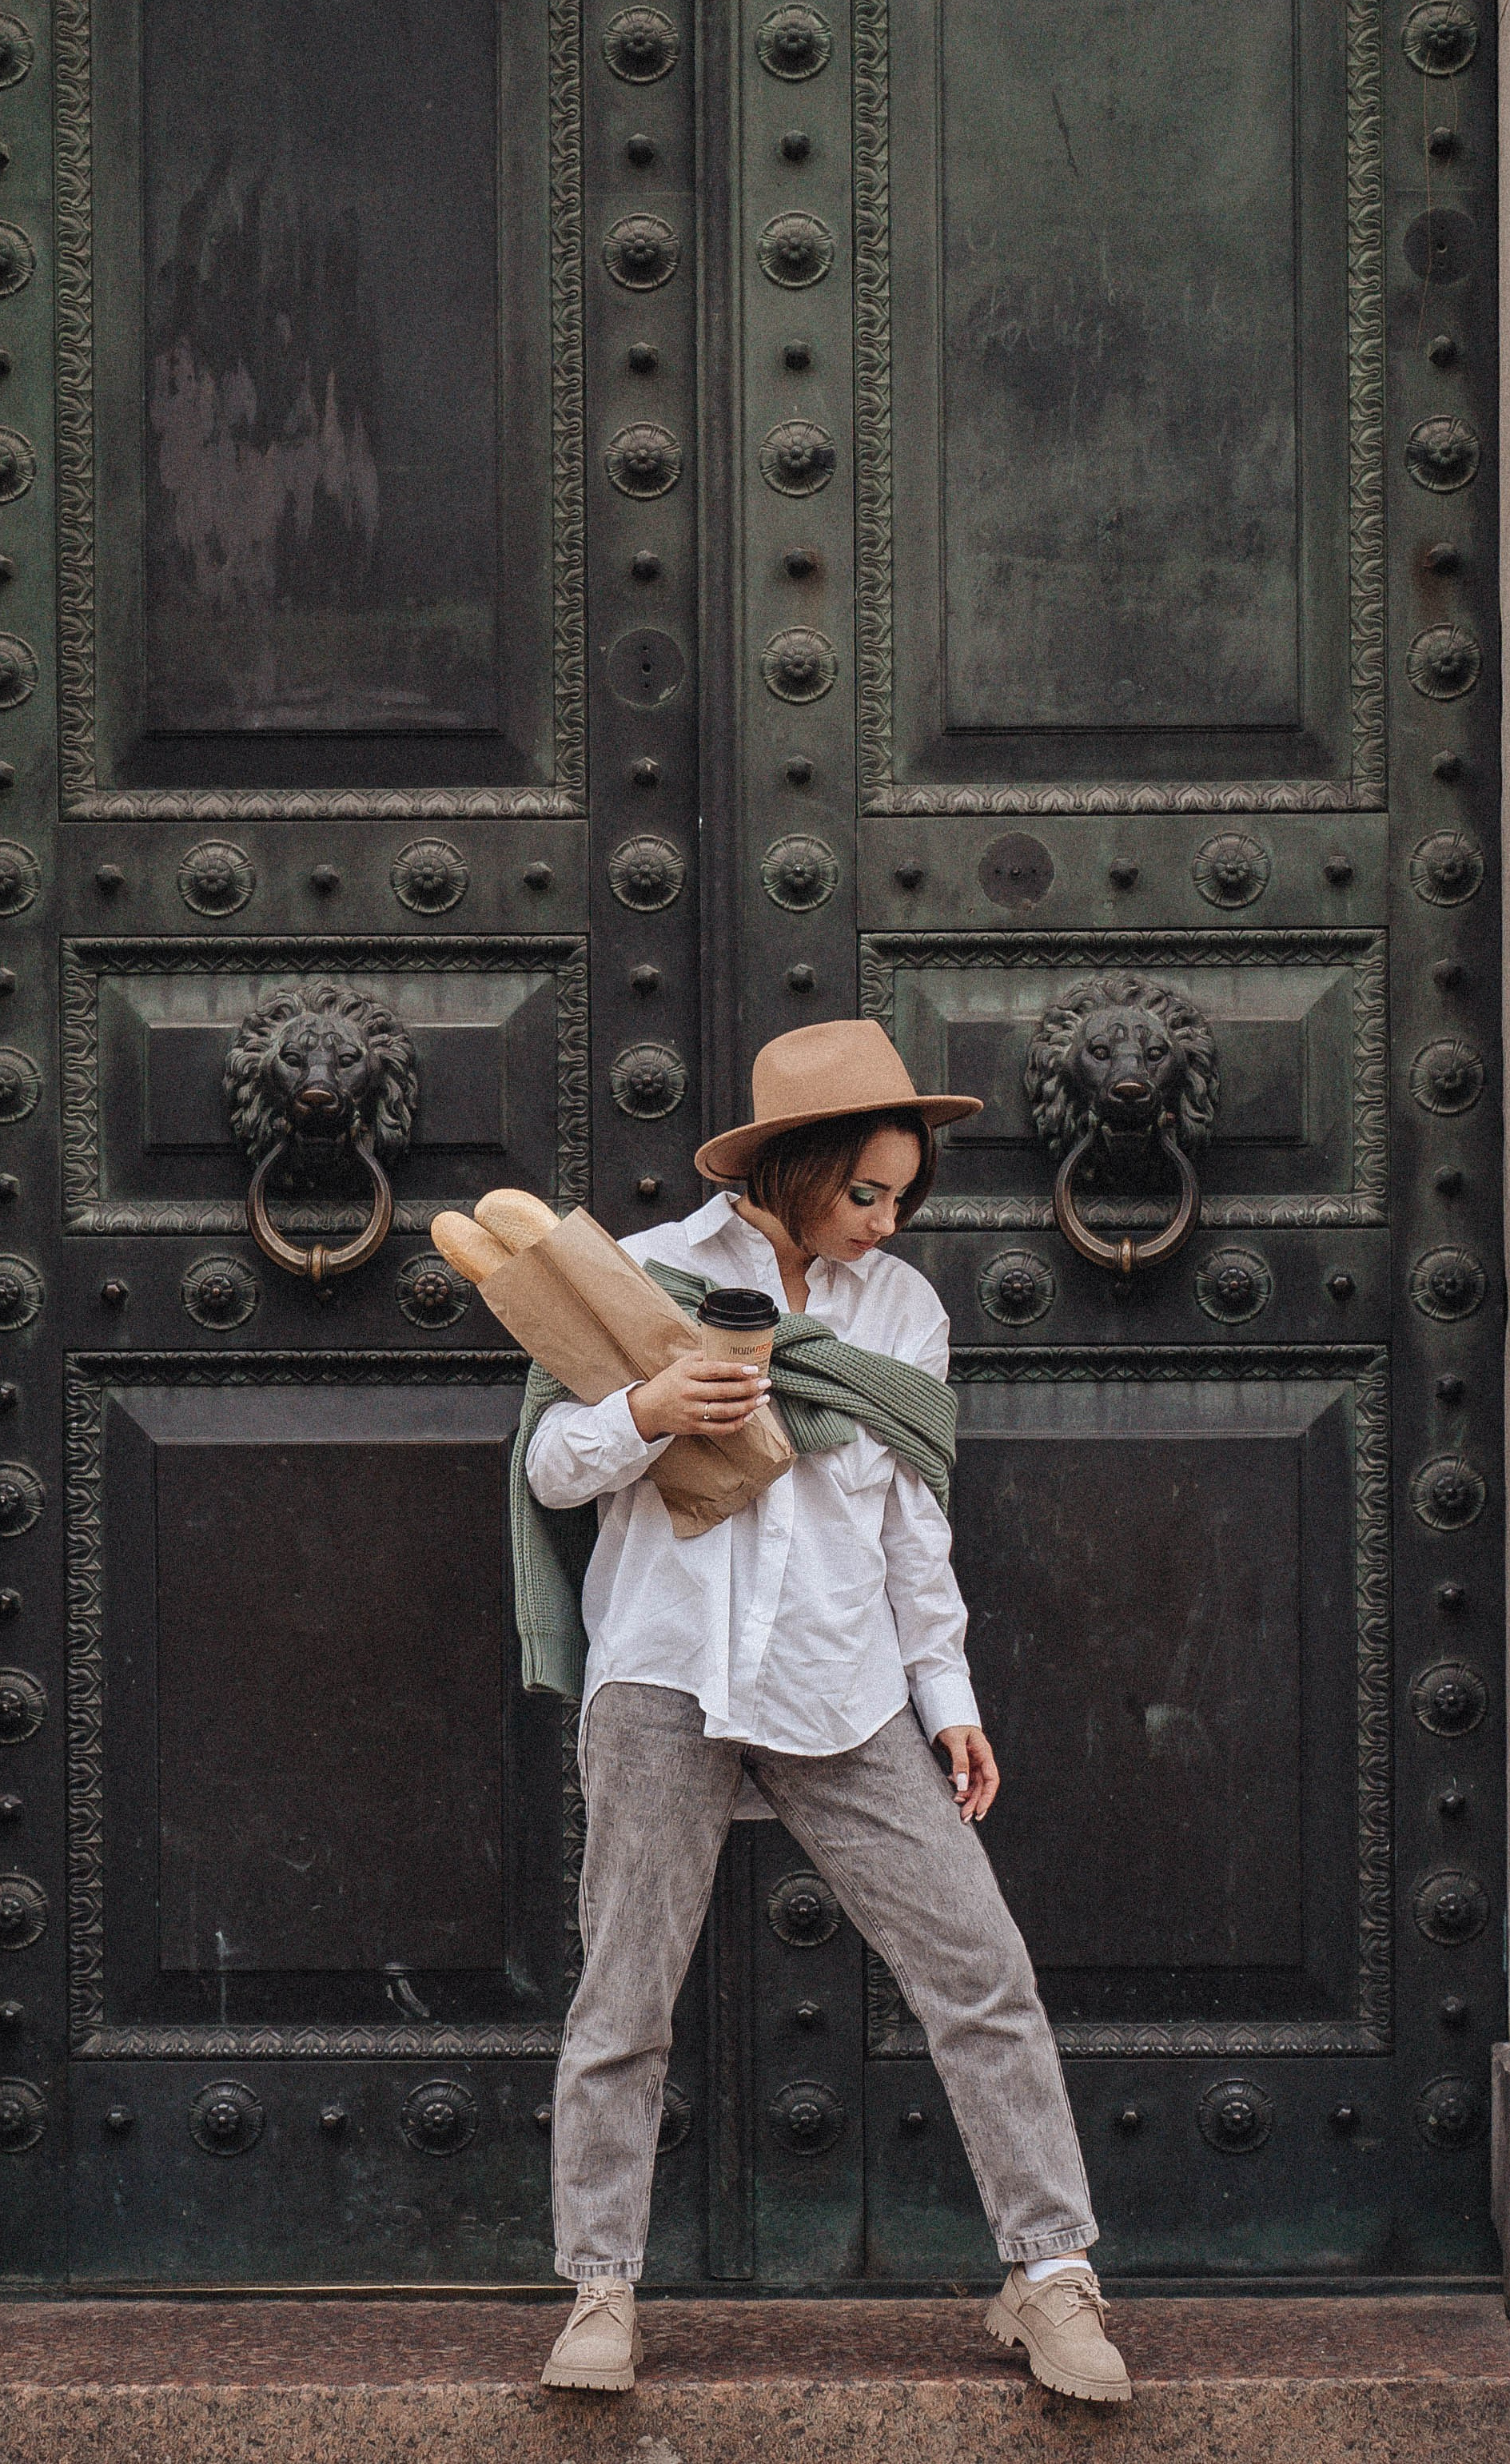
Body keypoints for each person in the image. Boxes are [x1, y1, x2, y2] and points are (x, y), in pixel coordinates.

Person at [521, 1019, 1130, 2403]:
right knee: (623, 1999)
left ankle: (1047, 2276)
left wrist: (949, 1694)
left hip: (842, 1686)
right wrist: (651, 1406)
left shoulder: (901, 1313)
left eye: (903, 1194)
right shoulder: (648, 1278)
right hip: (665, 1677)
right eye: (866, 1192)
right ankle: (600, 2292)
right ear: (795, 1174)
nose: (888, 1217)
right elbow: (553, 1470)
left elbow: (913, 1523)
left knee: (982, 1974)